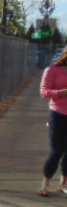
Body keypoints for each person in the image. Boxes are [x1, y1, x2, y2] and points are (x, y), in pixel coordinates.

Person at [38, 45, 67, 196]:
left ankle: (63, 184)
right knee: (57, 151)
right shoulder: (53, 69)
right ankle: (45, 184)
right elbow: (44, 92)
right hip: (58, 114)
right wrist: (63, 92)